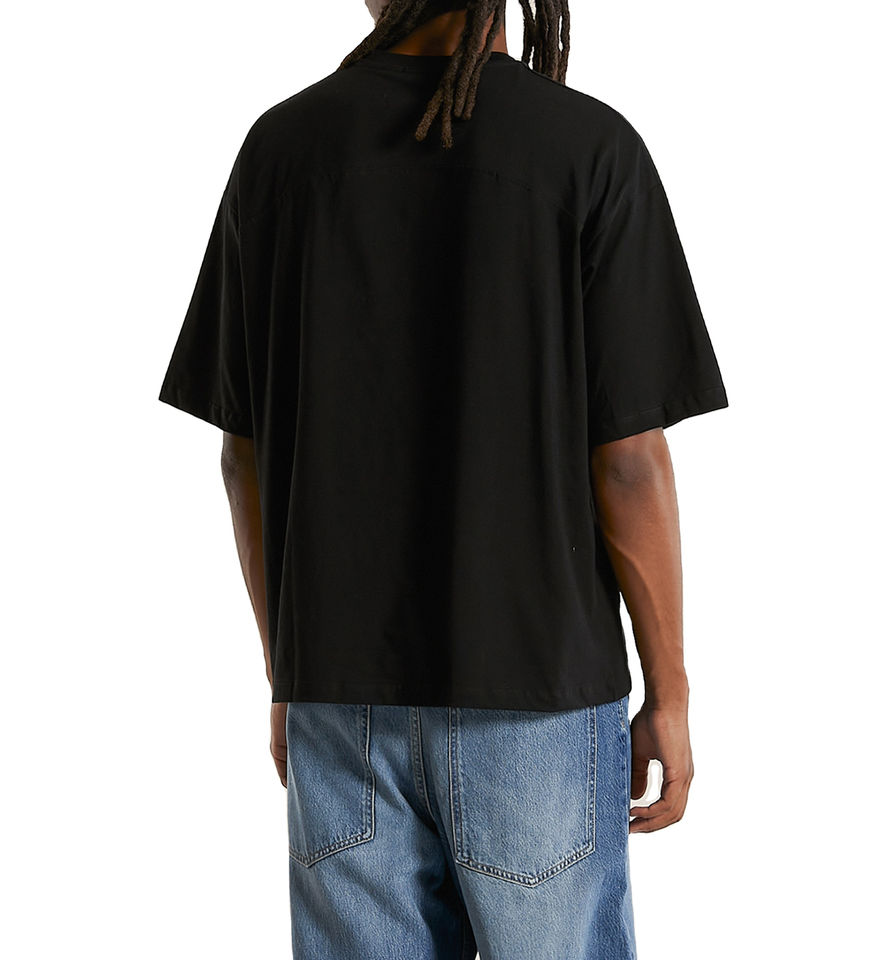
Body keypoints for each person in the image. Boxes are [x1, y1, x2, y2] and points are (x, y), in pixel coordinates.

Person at [157, 1, 729, 957]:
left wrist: (288, 671)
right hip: (539, 694)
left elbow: (241, 453)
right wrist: (670, 693)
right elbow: (629, 458)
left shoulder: (283, 150)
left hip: (342, 702)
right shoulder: (586, 148)